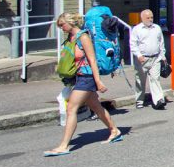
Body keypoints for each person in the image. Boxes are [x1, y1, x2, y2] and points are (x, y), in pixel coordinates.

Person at [46, 11, 121, 156]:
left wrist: (98, 81)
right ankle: (114, 131)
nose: (61, 28)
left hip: (87, 77)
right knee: (96, 106)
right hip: (79, 77)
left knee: (71, 109)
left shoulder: (84, 37)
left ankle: (64, 145)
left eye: (62, 25)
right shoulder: (71, 38)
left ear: (71, 22)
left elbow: (92, 60)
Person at [131, 9, 167, 109]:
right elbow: (133, 44)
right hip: (142, 59)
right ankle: (139, 100)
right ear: (142, 18)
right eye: (148, 18)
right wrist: (138, 55)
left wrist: (162, 56)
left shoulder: (157, 28)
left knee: (155, 79)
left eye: (151, 17)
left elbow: (161, 42)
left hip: (155, 58)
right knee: (140, 80)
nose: (150, 19)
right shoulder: (137, 29)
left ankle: (158, 100)